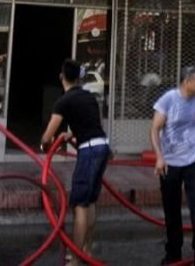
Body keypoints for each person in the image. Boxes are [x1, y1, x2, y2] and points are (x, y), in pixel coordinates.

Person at [150, 65, 195, 266]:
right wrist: (159, 157)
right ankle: (173, 253)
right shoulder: (169, 99)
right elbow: (155, 129)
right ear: (186, 82)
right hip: (170, 164)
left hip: (194, 162)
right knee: (171, 209)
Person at [41, 58, 110, 266]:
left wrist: (45, 145)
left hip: (88, 151)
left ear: (62, 77)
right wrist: (69, 134)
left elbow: (47, 136)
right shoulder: (88, 96)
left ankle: (76, 258)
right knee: (90, 203)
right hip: (102, 147)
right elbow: (89, 122)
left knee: (80, 205)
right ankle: (87, 249)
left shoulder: (63, 101)